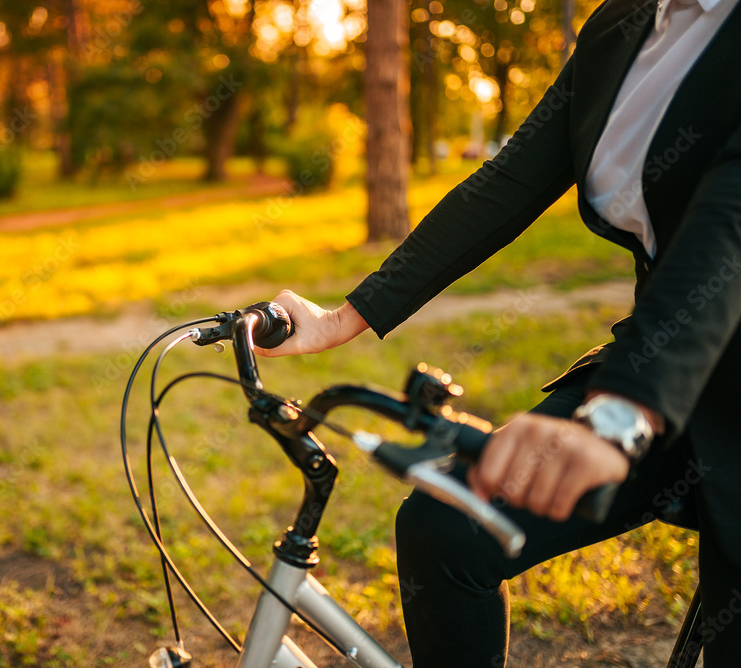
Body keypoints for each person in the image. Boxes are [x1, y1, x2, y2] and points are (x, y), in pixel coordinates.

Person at [256, 0, 741, 664]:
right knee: (447, 528)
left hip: (661, 383)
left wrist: (623, 411)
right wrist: (343, 318)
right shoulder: (624, 23)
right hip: (656, 361)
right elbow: (506, 182)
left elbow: (729, 227)